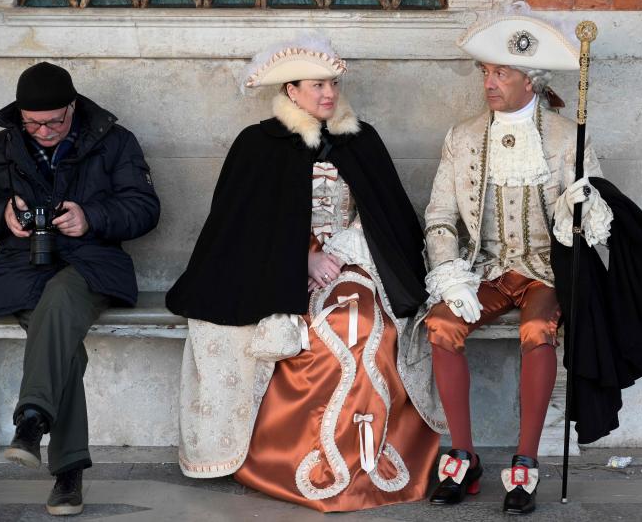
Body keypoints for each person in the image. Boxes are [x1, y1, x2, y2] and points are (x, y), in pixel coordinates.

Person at [166, 36, 446, 512]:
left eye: (334, 84)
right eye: (318, 85)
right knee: (303, 334)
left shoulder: (362, 139)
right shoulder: (257, 144)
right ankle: (294, 459)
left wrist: (349, 247)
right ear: (291, 91)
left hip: (354, 262)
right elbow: (241, 226)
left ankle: (366, 461)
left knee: (360, 329)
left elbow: (387, 215)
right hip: (275, 271)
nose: (329, 94)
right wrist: (301, 258)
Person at [421, 15, 613, 514]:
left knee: (537, 332)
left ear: (530, 81)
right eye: (485, 72)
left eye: (500, 75)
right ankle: (462, 457)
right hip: (484, 269)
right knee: (441, 323)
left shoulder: (567, 136)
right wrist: (448, 274)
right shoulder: (462, 137)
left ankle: (525, 462)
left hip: (546, 270)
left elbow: (599, 216)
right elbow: (440, 215)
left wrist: (583, 203)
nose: (488, 83)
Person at [0, 62, 160, 516]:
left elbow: (144, 209)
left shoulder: (114, 143)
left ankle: (31, 421)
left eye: (53, 121)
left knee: (63, 299)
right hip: (22, 273)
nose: (43, 130)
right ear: (19, 115)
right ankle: (66, 473)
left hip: (93, 267)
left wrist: (91, 217)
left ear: (72, 107)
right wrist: (0, 215)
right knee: (67, 346)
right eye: (32, 122)